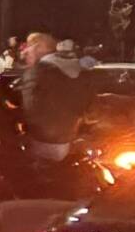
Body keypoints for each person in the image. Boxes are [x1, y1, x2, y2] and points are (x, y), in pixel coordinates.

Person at [18, 31, 90, 162]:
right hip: (66, 138)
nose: (25, 51)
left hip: (41, 140)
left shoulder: (38, 72)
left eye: (29, 46)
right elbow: (87, 104)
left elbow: (31, 109)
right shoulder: (76, 70)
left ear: (40, 47)